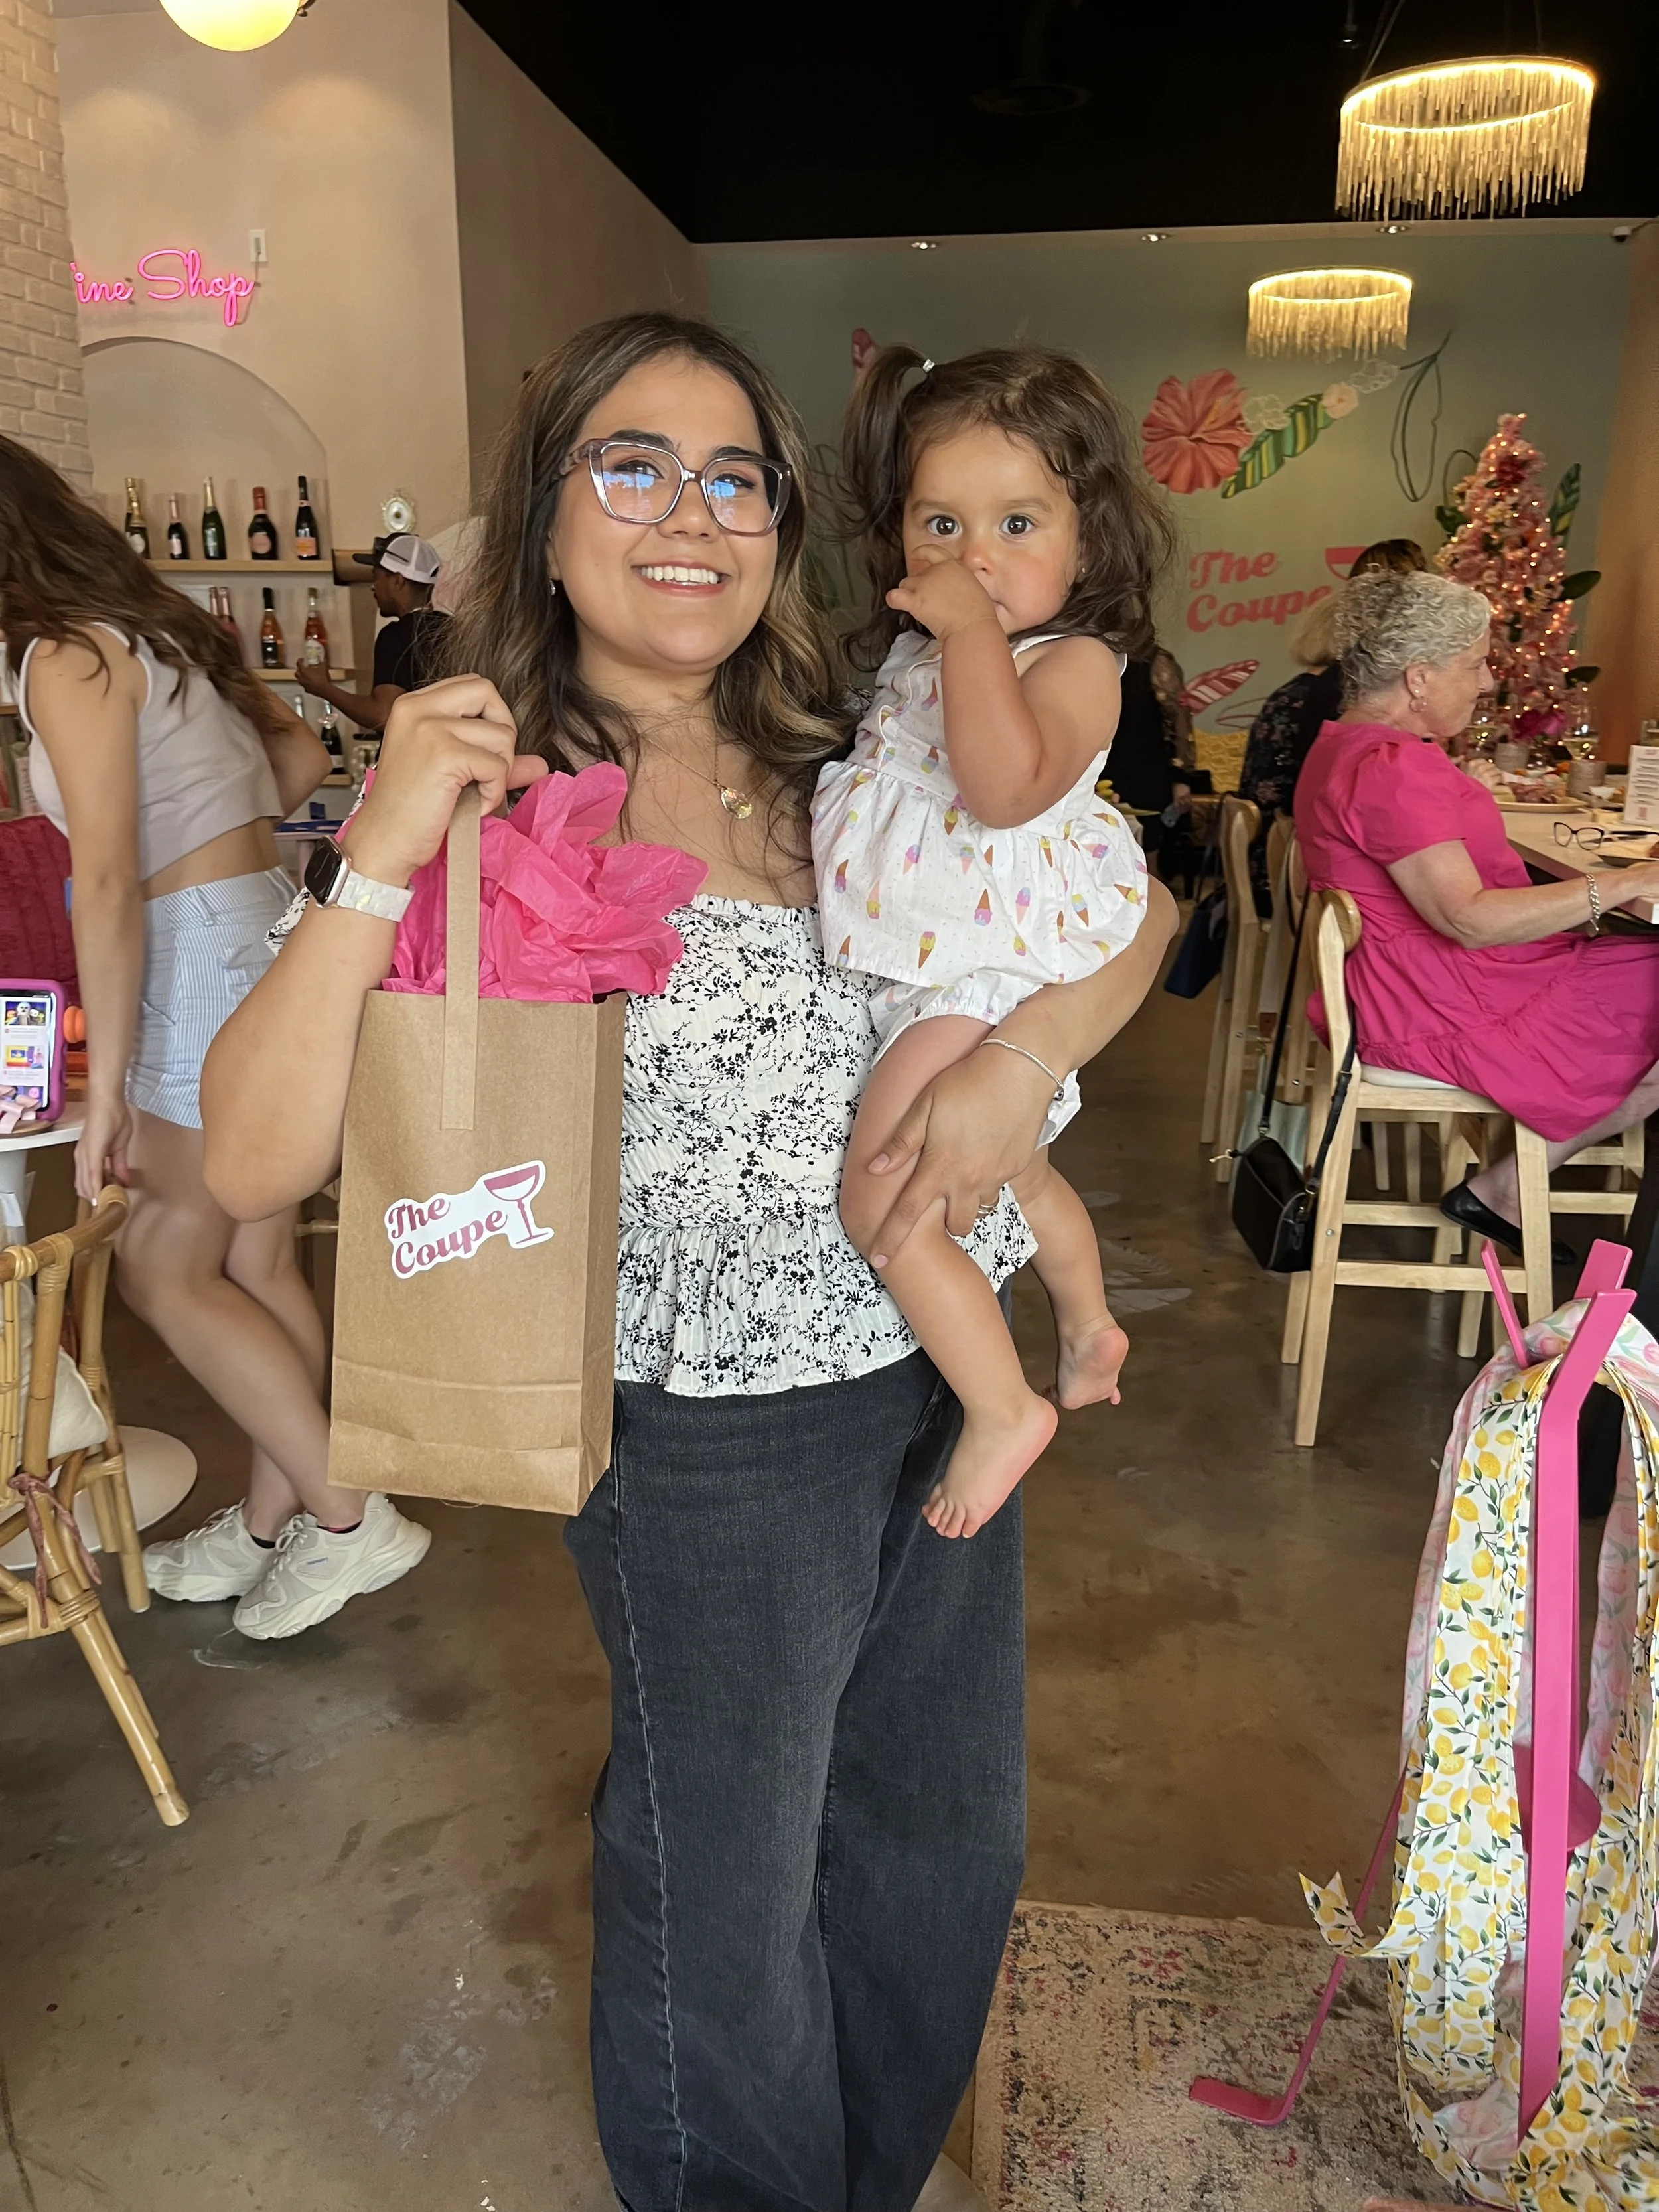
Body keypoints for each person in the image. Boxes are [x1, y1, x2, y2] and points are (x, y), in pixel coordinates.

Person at [200, 311, 1177, 2212]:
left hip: (923, 1369)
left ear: (784, 521)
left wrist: (1028, 1060)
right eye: (630, 465)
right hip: (707, 1441)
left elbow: (1121, 904)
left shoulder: (846, 744)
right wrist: (382, 846)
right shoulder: (490, 786)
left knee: (936, 1849)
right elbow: (250, 1150)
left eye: (734, 475)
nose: (689, 513)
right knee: (723, 1902)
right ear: (549, 507)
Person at [0, 434, 430, 1640]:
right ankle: (269, 1523)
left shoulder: (61, 656)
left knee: (163, 1267)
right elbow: (293, 757)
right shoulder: (157, 632)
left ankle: (350, 1518)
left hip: (189, 948)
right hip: (261, 920)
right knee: (255, 1263)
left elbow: (100, 880)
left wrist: (117, 1088)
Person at [816, 344, 1171, 1539]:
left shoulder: (1073, 663)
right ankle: (1086, 1328)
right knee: (1018, 1170)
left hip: (974, 972)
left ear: (1089, 536)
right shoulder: (921, 660)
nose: (975, 555)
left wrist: (969, 632)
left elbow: (1008, 786)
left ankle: (1001, 1402)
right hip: (919, 971)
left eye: (1017, 521)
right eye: (941, 522)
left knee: (881, 1197)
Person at [1297, 565, 1659, 1248]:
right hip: (1441, 1006)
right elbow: (1466, 919)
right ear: (1417, 677)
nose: (1488, 681)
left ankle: (1508, 1190)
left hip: (1405, 991)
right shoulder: (1393, 767)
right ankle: (1506, 1191)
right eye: (1476, 664)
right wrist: (1619, 883)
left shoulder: (1346, 747)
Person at [1237, 537, 1429, 826]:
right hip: (1294, 853)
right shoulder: (1346, 694)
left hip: (1292, 845)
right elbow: (1372, 808)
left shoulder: (1320, 687)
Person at [295, 532, 448, 733]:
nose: (373, 587)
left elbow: (383, 716)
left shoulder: (397, 636)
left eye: (376, 577)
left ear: (398, 581)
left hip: (417, 759)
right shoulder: (453, 628)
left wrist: (324, 689)